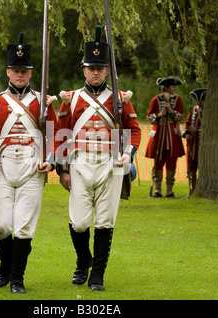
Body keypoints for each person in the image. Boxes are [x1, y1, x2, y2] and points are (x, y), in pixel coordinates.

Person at [56, 26, 141, 291]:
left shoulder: (119, 99)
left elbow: (134, 131)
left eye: (100, 68)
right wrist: (62, 170)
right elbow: (59, 134)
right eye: (91, 67)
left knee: (105, 221)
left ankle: (97, 276)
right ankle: (83, 261)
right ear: (84, 69)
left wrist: (127, 154)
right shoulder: (71, 99)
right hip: (80, 165)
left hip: (111, 165)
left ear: (107, 71)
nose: (95, 72)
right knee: (80, 223)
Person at [0, 32, 58, 294]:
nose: (20, 75)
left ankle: (17, 278)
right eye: (15, 70)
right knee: (0, 225)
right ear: (7, 72)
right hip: (2, 166)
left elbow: (56, 135)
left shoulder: (42, 100)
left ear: (30, 73)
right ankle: (5, 264)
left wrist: (51, 161)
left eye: (24, 71)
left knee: (24, 226)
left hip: (31, 168)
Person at [145, 77, 185, 198]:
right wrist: (159, 114)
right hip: (159, 135)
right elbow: (149, 117)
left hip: (172, 135)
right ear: (167, 87)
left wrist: (171, 111)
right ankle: (158, 190)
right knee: (158, 162)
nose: (175, 88)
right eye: (173, 86)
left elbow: (181, 116)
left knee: (172, 162)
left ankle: (169, 190)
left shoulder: (178, 99)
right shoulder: (155, 100)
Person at [183, 88, 206, 196]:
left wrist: (196, 130)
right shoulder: (194, 110)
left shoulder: (210, 111)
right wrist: (187, 133)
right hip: (192, 144)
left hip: (203, 144)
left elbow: (210, 128)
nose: (199, 104)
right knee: (191, 168)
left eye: (201, 101)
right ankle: (192, 190)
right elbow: (187, 123)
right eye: (197, 101)